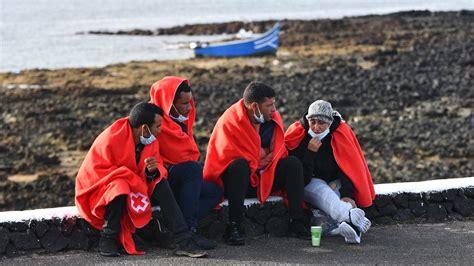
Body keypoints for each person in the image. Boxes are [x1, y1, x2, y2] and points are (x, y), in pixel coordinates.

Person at [75, 102, 207, 258]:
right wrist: (131, 178)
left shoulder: (149, 140)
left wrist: (151, 171)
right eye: (157, 126)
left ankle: (183, 240)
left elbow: (157, 166)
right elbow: (97, 174)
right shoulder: (111, 138)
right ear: (144, 128)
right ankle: (108, 237)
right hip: (99, 192)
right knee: (120, 185)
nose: (160, 131)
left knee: (159, 181)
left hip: (135, 185)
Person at [203, 81, 311, 245]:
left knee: (292, 164)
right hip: (237, 184)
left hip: (263, 176)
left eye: (274, 104)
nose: (274, 109)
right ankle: (234, 226)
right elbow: (225, 158)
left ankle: (296, 221)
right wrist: (259, 154)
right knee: (240, 166)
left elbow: (278, 151)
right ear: (255, 106)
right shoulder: (231, 121)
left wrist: (262, 154)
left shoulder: (272, 118)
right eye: (270, 105)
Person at [285, 100, 375, 244]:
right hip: (311, 181)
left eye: (321, 123)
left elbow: (348, 168)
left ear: (329, 122)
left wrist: (347, 194)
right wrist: (310, 152)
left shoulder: (341, 133)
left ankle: (352, 230)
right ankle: (350, 216)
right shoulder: (298, 134)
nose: (316, 127)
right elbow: (300, 177)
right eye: (312, 121)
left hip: (335, 181)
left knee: (341, 199)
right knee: (325, 194)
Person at [149, 76, 222, 250]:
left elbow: (186, 153)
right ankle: (189, 231)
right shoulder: (153, 123)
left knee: (215, 192)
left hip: (178, 178)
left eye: (190, 102)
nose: (189, 108)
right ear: (168, 103)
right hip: (157, 182)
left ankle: (173, 224)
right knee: (192, 169)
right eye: (184, 103)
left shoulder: (180, 121)